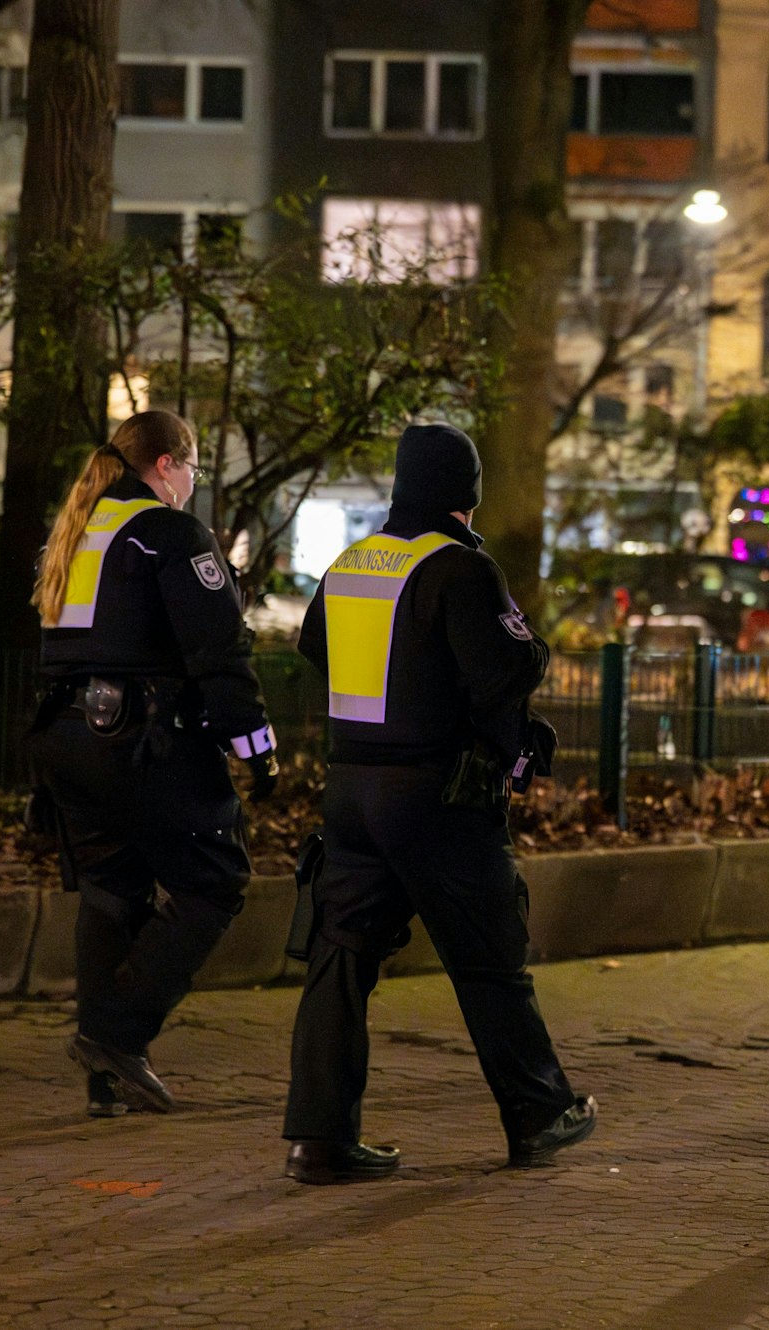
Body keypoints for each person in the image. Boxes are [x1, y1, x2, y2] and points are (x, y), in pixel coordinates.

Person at [281, 422, 593, 1185]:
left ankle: (318, 1140)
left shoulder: (350, 564)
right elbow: (503, 672)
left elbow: (315, 649)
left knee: (340, 959)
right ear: (465, 494)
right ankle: (538, 1112)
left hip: (350, 791)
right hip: (437, 796)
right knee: (488, 959)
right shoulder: (458, 567)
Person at [30, 409, 278, 1118]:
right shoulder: (168, 533)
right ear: (166, 465)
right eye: (191, 470)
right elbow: (216, 652)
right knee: (214, 883)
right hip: (143, 737)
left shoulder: (74, 532)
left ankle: (106, 1073)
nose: (191, 484)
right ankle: (116, 1034)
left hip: (67, 739)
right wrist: (255, 748)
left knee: (112, 890)